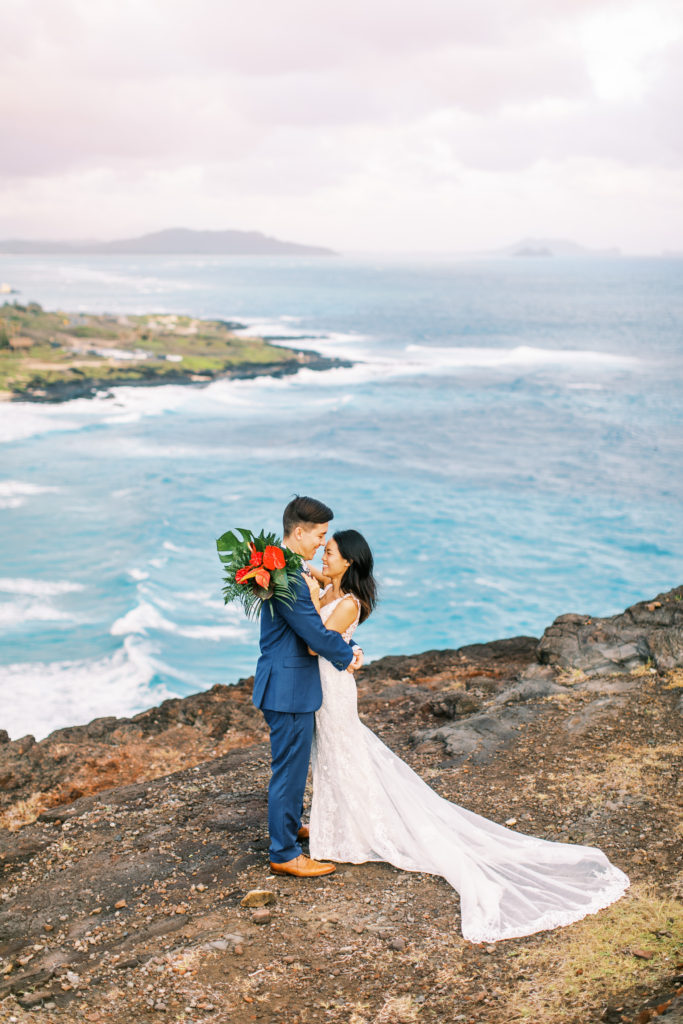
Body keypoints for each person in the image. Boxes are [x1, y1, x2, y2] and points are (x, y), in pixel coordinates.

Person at [302, 529, 630, 943]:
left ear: (348, 561)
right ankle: (341, 824)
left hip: (333, 689)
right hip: (327, 686)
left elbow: (318, 643)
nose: (323, 555)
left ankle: (356, 828)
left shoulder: (347, 603)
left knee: (345, 753)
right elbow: (309, 571)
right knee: (335, 755)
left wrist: (312, 597)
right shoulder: (334, 586)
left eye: (330, 552)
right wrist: (295, 568)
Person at [252, 496, 363, 878]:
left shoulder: (288, 567)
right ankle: (283, 852)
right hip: (289, 685)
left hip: (286, 679)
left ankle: (290, 824)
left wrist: (350, 645)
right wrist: (347, 654)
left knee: (294, 763)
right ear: (298, 532)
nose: (321, 543)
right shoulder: (286, 577)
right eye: (319, 535)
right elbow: (313, 632)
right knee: (290, 769)